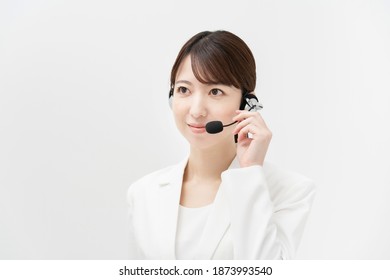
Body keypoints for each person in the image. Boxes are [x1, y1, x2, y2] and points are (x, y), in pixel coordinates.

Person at [127, 30, 315, 259]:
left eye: (215, 91)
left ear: (246, 104)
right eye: (184, 90)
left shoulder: (289, 191)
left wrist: (250, 174)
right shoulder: (143, 193)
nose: (196, 111)